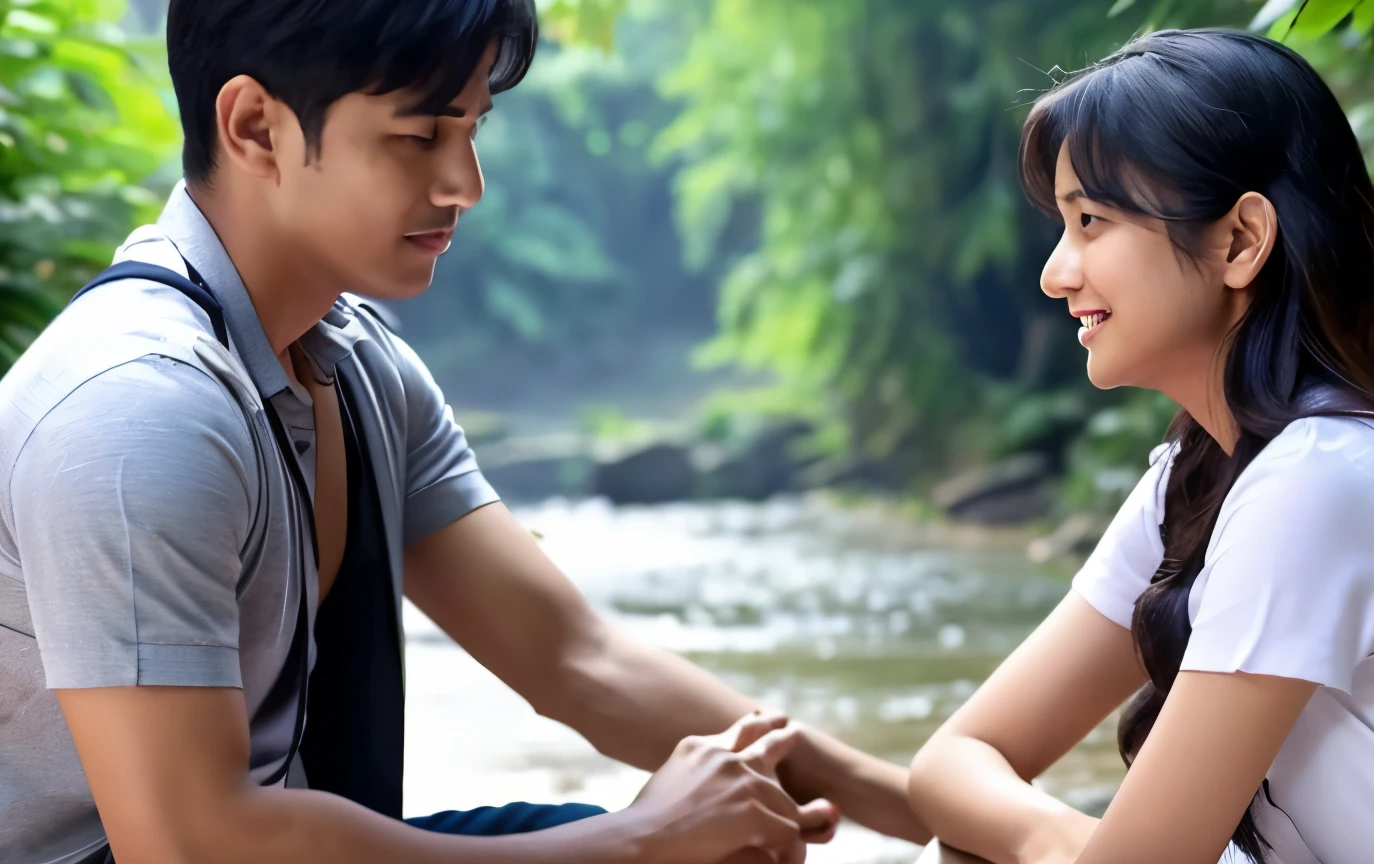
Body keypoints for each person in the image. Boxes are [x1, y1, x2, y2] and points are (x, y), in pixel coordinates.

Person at [0, 2, 928, 862]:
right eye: (418, 135)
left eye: (472, 129)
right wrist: (641, 841)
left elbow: (576, 658)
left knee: (733, 838)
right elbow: (191, 844)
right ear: (254, 128)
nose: (466, 183)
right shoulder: (139, 406)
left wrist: (935, 813)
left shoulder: (356, 367)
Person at [907, 28, 1374, 864]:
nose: (1057, 273)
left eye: (1091, 221)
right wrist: (1060, 840)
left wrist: (1061, 845)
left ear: (1240, 241)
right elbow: (951, 761)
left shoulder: (1324, 482)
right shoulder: (1206, 473)